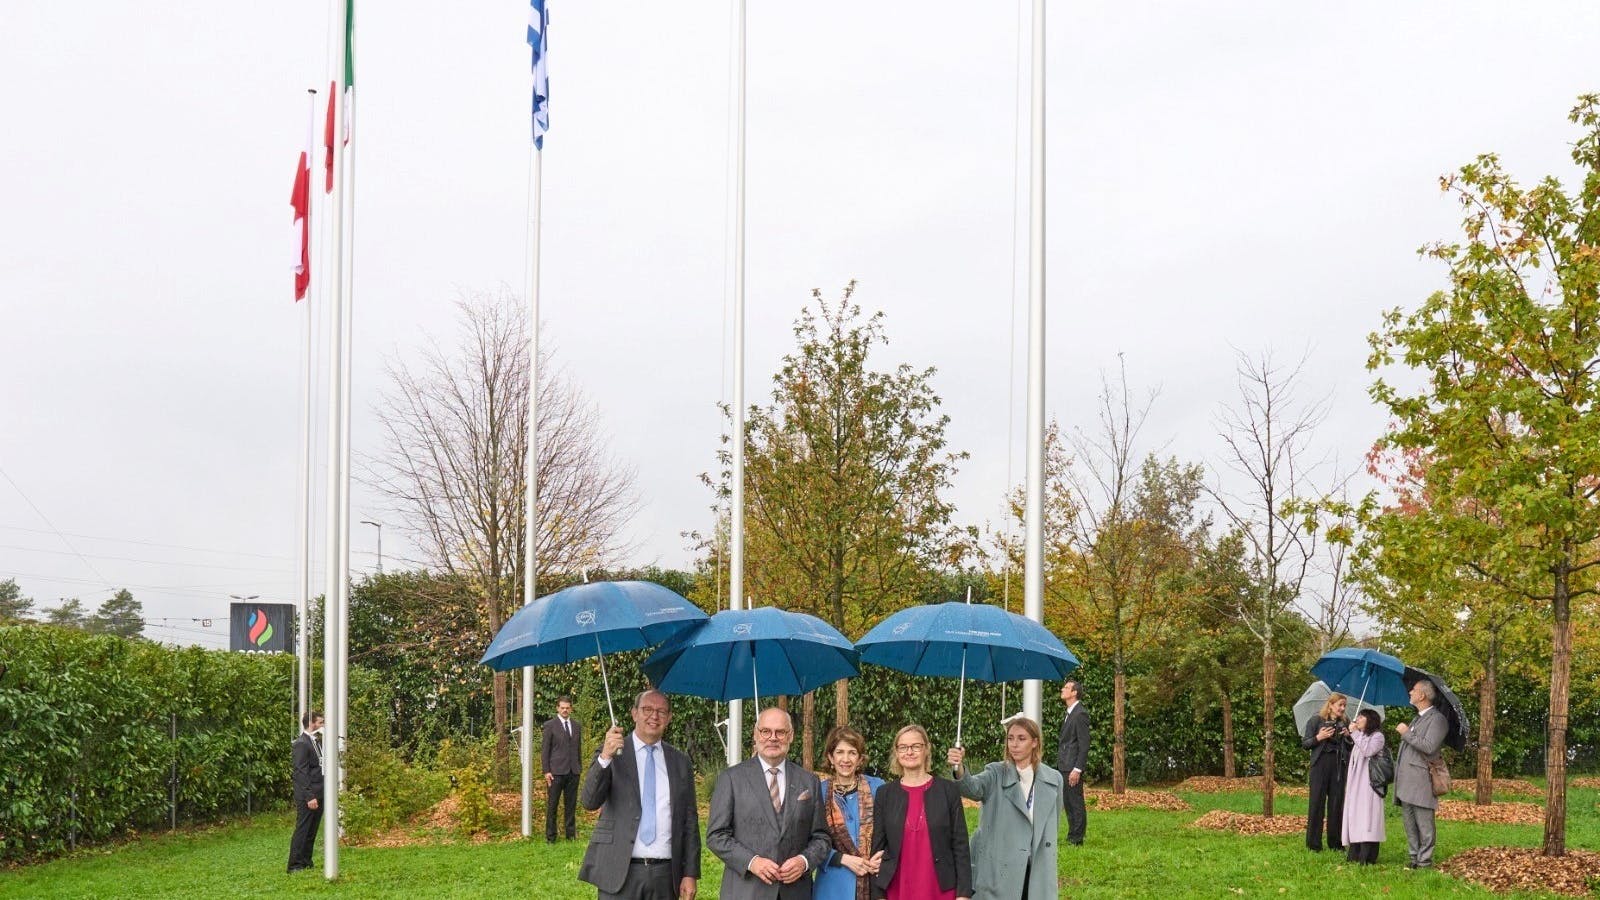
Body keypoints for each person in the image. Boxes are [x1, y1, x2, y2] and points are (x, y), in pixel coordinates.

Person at [578, 690, 700, 900]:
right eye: (647, 709)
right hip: (619, 873)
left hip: (665, 875)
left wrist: (690, 873)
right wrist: (605, 757)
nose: (654, 716)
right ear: (634, 713)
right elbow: (589, 801)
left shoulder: (680, 763)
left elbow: (690, 822)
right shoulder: (613, 753)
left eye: (661, 711)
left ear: (669, 718)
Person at [707, 707, 832, 900]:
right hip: (746, 891)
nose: (773, 738)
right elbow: (716, 836)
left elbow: (821, 837)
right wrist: (752, 862)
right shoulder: (731, 778)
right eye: (766, 731)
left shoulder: (809, 782)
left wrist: (804, 861)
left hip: (795, 892)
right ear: (756, 735)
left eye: (780, 732)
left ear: (790, 736)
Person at [948, 716, 1063, 900]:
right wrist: (959, 767)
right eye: (1010, 738)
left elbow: (1052, 826)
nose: (1014, 744)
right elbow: (971, 787)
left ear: (1035, 742)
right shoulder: (995, 773)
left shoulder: (1054, 779)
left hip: (1036, 870)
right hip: (1000, 871)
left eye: (1021, 738)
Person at [871, 725, 971, 900]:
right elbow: (877, 850)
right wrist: (878, 895)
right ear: (896, 752)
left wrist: (963, 895)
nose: (909, 752)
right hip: (898, 887)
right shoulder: (884, 794)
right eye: (903, 747)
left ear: (927, 749)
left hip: (940, 889)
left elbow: (961, 846)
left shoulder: (948, 791)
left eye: (916, 746)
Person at [815, 725, 884, 900]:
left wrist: (884, 856)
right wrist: (841, 859)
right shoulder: (818, 792)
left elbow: (892, 831)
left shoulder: (878, 788)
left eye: (852, 753)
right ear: (830, 757)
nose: (846, 759)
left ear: (860, 759)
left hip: (874, 881)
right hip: (832, 885)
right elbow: (809, 840)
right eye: (840, 752)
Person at [1394, 679, 1447, 870]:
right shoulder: (1417, 718)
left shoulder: (1437, 719)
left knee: (1424, 823)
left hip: (1421, 780)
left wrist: (1406, 733)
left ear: (1422, 695)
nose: (1410, 692)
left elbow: (1429, 746)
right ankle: (1414, 858)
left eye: (1413, 690)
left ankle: (1424, 861)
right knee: (1410, 823)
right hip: (1407, 781)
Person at [1301, 691, 1351, 852]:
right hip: (1320, 765)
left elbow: (1351, 747)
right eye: (1340, 705)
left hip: (1338, 765)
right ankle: (1314, 844)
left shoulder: (1346, 722)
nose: (1342, 708)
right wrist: (1319, 737)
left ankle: (1335, 842)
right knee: (1316, 803)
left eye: (1344, 705)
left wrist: (1349, 735)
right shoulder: (1316, 720)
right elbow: (1306, 743)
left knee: (1337, 804)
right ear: (1330, 705)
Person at [1342, 708, 1386, 864]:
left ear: (1370, 720)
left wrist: (1354, 733)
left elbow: (1368, 751)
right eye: (1358, 717)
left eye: (1361, 717)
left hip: (1369, 785)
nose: (1357, 719)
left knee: (1367, 817)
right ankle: (1355, 853)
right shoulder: (1361, 736)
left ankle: (1367, 856)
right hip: (1356, 784)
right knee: (1356, 815)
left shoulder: (1378, 737)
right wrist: (1351, 736)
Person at [287, 709, 324, 873]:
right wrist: (309, 796)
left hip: (319, 792)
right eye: (320, 722)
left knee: (312, 829)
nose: (323, 725)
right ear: (311, 724)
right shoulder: (301, 744)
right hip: (308, 795)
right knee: (303, 829)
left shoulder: (316, 742)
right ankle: (294, 864)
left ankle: (306, 860)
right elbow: (300, 772)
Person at [543, 695, 583, 843]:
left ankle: (570, 836)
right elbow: (545, 750)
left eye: (567, 708)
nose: (565, 710)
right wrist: (546, 771)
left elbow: (578, 748)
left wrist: (579, 767)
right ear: (557, 708)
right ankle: (551, 837)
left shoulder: (577, 726)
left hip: (573, 772)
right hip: (555, 773)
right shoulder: (550, 725)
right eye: (562, 707)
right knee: (552, 806)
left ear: (571, 708)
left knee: (571, 806)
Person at [1055, 679, 1090, 846]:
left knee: (1075, 801)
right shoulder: (1070, 713)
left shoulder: (1080, 713)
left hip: (1072, 766)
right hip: (1065, 764)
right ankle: (1072, 834)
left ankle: (1077, 838)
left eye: (1067, 687)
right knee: (1068, 801)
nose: (1063, 689)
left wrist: (1077, 768)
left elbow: (1084, 744)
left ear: (1074, 693)